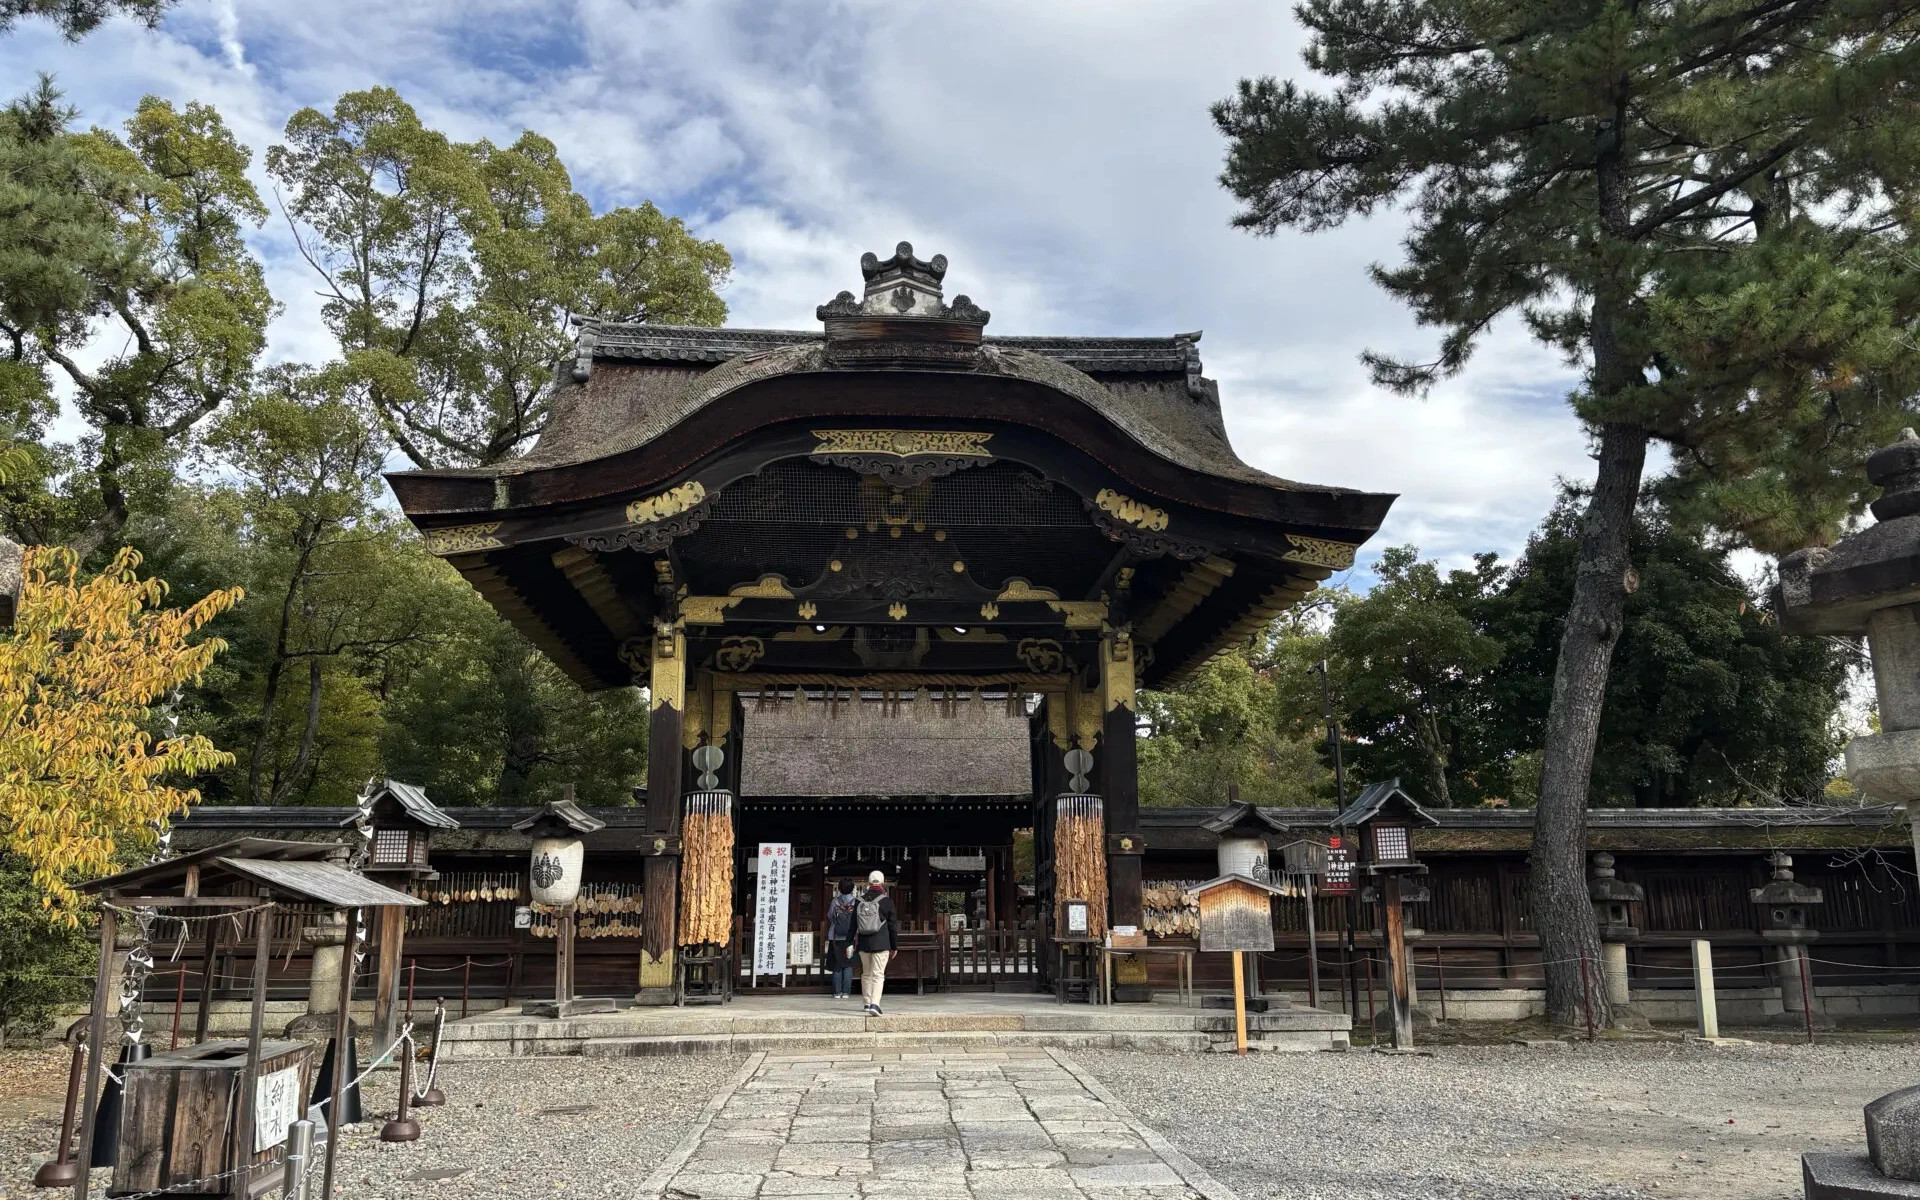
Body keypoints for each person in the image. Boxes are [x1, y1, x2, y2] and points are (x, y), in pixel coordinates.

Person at [854, 869, 898, 1015]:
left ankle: (867, 1003)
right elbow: (892, 926)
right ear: (883, 883)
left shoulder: (858, 901)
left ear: (868, 882)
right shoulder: (887, 901)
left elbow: (852, 925)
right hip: (881, 943)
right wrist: (894, 946)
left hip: (863, 943)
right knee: (878, 974)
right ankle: (875, 1004)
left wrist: (849, 942)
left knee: (866, 974)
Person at [825, 879, 858, 999]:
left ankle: (836, 992)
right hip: (850, 937)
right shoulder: (855, 902)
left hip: (835, 937)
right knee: (848, 964)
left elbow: (830, 916)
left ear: (839, 888)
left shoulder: (835, 901)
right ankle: (846, 992)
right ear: (852, 888)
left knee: (837, 964)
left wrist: (837, 924)